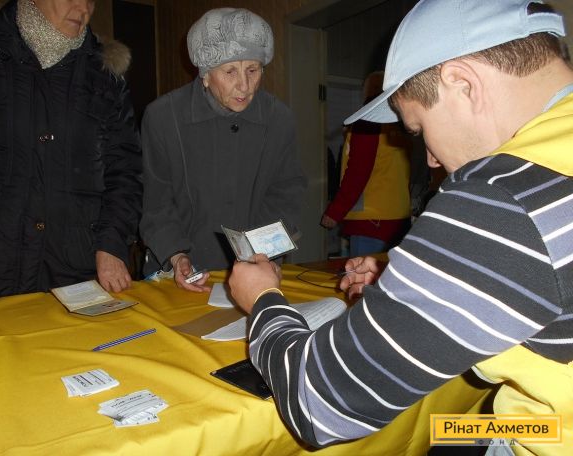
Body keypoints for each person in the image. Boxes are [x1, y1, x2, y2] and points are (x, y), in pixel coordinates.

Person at [229, 1, 573, 454]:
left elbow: (319, 402)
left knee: (432, 436)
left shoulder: (501, 197)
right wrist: (415, 279)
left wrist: (262, 299)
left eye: (418, 128)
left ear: (462, 83)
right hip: (548, 422)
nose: (430, 159)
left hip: (541, 438)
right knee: (446, 431)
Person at [0, 0, 142, 301]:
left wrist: (111, 243)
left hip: (74, 264)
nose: (83, 8)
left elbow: (125, 170)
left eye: (90, 0)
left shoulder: (105, 75)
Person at [140, 7, 306, 292]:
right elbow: (156, 201)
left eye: (253, 70)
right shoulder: (163, 117)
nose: (244, 85)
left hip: (256, 267)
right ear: (205, 74)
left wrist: (264, 253)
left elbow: (286, 193)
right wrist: (176, 254)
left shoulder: (279, 119)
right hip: (179, 267)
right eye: (230, 71)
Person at [321, 71, 411, 255]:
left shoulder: (368, 121)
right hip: (400, 219)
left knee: (361, 273)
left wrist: (335, 211)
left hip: (370, 222)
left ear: (368, 91)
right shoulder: (403, 121)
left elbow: (358, 170)